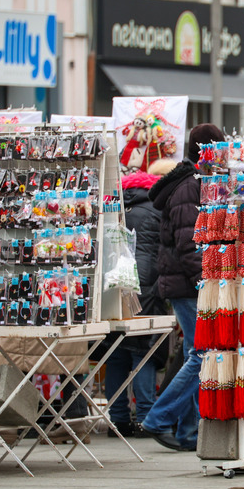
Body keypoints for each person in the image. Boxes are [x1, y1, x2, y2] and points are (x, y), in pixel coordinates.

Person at [139, 123, 225, 451]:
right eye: (219, 150)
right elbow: (189, 243)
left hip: (184, 283)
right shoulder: (190, 187)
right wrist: (204, 282)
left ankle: (189, 432)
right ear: (208, 149)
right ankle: (158, 418)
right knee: (202, 354)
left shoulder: (196, 182)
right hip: (188, 285)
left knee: (195, 352)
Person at [103, 160, 174, 436]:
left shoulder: (117, 205)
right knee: (143, 352)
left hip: (114, 282)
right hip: (145, 285)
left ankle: (118, 418)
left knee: (117, 352)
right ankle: (145, 415)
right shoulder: (158, 208)